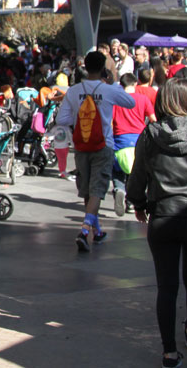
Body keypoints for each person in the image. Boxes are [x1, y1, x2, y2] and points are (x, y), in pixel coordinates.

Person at [126, 77, 187, 368]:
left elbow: (137, 177)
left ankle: (169, 352)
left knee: (166, 288)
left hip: (162, 217)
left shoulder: (150, 134)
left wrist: (139, 203)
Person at [55, 50, 135, 252]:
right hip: (103, 145)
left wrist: (78, 117)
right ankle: (84, 230)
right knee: (98, 189)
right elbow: (130, 102)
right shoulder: (108, 90)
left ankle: (96, 230)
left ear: (84, 67)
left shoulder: (73, 91)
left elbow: (61, 120)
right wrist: (110, 85)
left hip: (81, 146)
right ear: (103, 69)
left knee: (87, 190)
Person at [111, 73, 157, 216]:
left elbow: (109, 122)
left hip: (120, 141)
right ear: (135, 84)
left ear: (121, 85)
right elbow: (153, 119)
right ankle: (131, 203)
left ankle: (119, 189)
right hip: (139, 140)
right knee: (136, 173)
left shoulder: (115, 101)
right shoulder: (143, 99)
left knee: (118, 170)